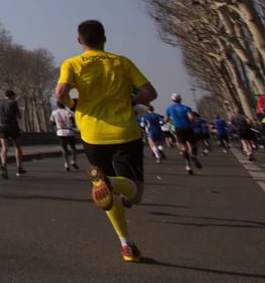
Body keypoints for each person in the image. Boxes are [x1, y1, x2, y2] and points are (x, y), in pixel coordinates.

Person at [55, 20, 156, 264]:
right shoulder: (121, 62)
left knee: (108, 195)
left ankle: (126, 244)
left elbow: (60, 93)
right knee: (134, 193)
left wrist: (74, 105)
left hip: (91, 133)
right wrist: (131, 100)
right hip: (124, 133)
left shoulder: (72, 63)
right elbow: (150, 93)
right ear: (104, 39)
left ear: (80, 41)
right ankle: (109, 182)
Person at [165, 93, 202, 175]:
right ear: (180, 99)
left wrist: (171, 121)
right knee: (193, 145)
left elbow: (166, 119)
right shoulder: (186, 108)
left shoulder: (169, 109)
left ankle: (188, 166)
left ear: (172, 100)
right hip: (187, 127)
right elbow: (191, 118)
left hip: (178, 129)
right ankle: (193, 155)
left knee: (183, 148)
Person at [0, 89, 25, 178]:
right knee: (17, 147)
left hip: (2, 126)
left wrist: (1, 117)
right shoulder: (13, 103)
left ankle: (3, 164)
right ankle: (19, 168)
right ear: (12, 95)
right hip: (13, 126)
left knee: (4, 148)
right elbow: (19, 116)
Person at [51, 102, 79, 170]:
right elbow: (73, 122)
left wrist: (57, 126)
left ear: (57, 105)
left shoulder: (54, 112)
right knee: (73, 148)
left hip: (60, 132)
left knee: (64, 149)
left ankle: (66, 164)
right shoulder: (68, 112)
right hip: (70, 132)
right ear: (64, 105)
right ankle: (73, 161)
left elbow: (52, 122)